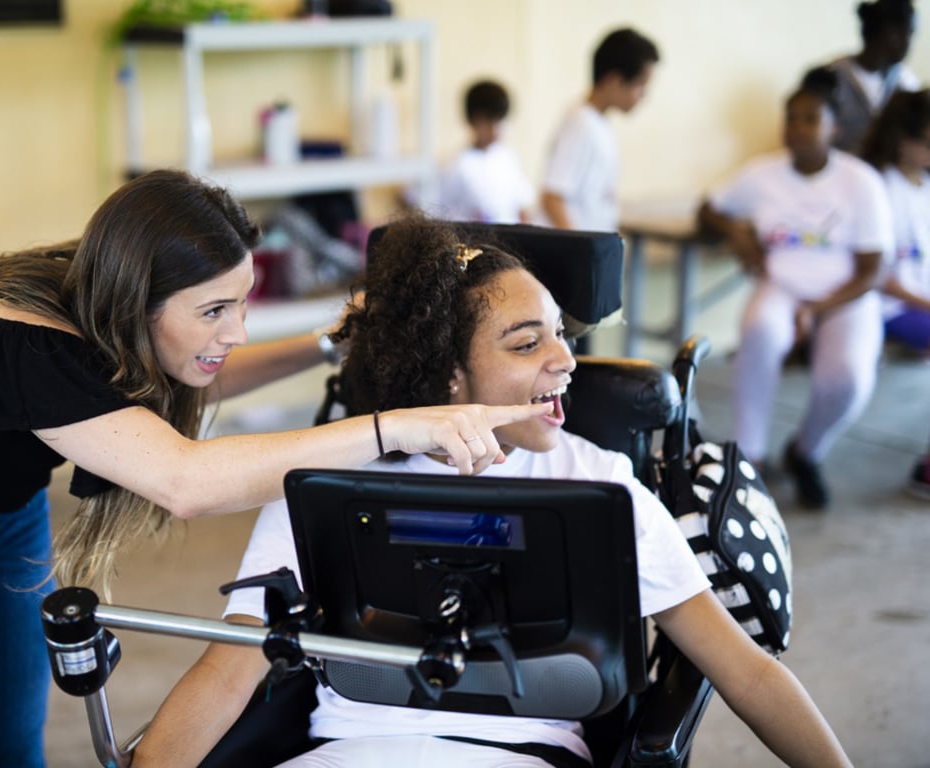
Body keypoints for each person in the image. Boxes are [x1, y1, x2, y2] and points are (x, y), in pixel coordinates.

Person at [0, 170, 549, 768]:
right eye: (215, 311)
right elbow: (186, 482)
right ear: (141, 302)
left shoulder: (108, 293)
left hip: (3, 517)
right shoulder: (13, 337)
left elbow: (194, 371)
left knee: (10, 746)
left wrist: (329, 342)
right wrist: (394, 428)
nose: (235, 330)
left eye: (241, 303)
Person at [132, 215, 853, 768]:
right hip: (347, 750)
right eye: (526, 343)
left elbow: (746, 674)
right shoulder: (326, 482)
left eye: (563, 335)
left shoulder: (598, 485)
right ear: (449, 376)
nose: (566, 360)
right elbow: (227, 672)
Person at [698, 67, 894, 510]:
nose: (799, 128)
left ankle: (806, 451)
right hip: (782, 286)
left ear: (834, 128)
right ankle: (751, 456)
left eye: (811, 119)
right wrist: (735, 230)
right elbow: (708, 207)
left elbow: (872, 271)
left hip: (846, 295)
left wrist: (817, 309)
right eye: (791, 118)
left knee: (846, 378)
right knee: (759, 330)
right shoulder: (761, 174)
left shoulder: (860, 181)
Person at [859, 88, 930, 498]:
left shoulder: (923, 185)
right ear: (905, 140)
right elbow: (881, 277)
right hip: (891, 306)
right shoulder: (881, 187)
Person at [538, 27, 659, 233]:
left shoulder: (598, 123)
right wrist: (579, 248)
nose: (644, 96)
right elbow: (552, 197)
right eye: (641, 86)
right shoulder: (581, 124)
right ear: (614, 80)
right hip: (575, 249)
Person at [430, 79, 535, 225]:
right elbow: (429, 207)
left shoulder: (507, 157)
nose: (495, 129)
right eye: (488, 121)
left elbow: (522, 208)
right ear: (472, 121)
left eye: (499, 120)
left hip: (512, 236)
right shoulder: (456, 165)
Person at [823, 0, 921, 155]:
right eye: (910, 33)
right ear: (893, 35)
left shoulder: (906, 83)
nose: (910, 43)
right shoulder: (831, 78)